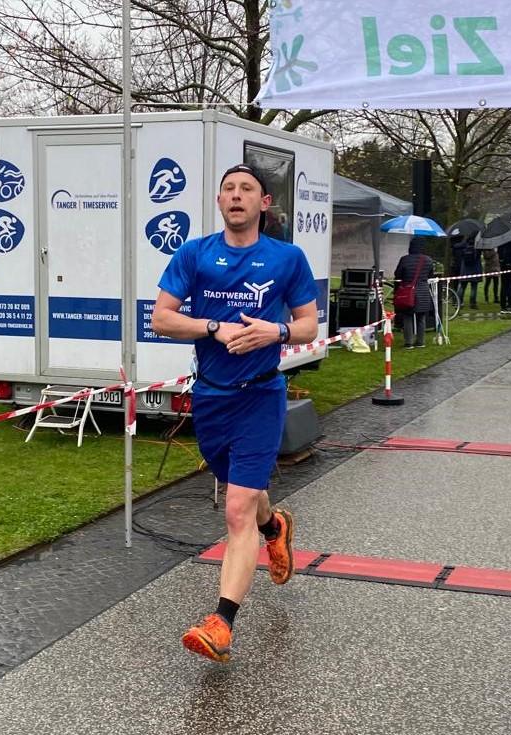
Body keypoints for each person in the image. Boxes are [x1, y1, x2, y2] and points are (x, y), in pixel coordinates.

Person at [151, 164, 318, 663]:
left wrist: (276, 332)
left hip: (261, 396)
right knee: (247, 498)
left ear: (264, 203)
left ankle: (221, 623)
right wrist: (212, 328)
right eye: (228, 189)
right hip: (212, 396)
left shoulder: (287, 258)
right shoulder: (195, 254)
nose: (236, 195)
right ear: (219, 201)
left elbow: (309, 325)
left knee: (235, 509)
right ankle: (275, 528)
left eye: (247, 189)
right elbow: (161, 318)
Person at [393, 237, 434, 348]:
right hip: (423, 292)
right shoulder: (428, 260)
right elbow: (430, 275)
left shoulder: (405, 259)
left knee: (407, 317)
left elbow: (397, 274)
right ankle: (421, 341)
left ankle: (409, 342)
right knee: (421, 318)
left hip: (408, 292)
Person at [456, 237, 483, 309]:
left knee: (462, 287)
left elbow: (457, 250)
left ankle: (459, 303)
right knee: (474, 287)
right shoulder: (478, 247)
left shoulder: (463, 245)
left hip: (464, 270)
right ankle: (472, 303)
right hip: (475, 270)